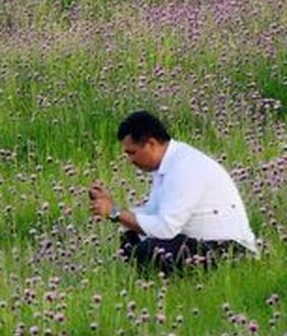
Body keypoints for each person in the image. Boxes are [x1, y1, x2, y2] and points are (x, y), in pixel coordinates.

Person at [88, 110, 257, 275]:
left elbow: (166, 228)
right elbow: (152, 214)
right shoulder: (169, 165)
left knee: (151, 250)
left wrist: (115, 212)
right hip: (200, 245)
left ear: (151, 144)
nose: (130, 160)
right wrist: (114, 208)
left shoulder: (185, 167)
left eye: (132, 153)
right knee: (131, 239)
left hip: (229, 252)